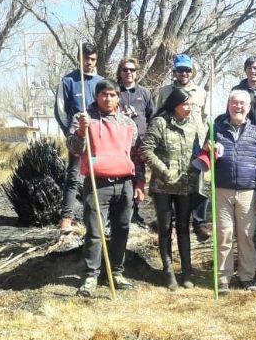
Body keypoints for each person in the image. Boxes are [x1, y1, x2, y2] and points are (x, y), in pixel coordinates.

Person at [67, 79, 145, 297]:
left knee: (122, 230)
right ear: (97, 96)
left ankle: (117, 272)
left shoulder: (128, 123)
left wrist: (139, 182)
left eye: (112, 95)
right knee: (94, 232)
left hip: (125, 183)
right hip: (96, 183)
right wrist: (82, 131)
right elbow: (73, 148)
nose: (108, 98)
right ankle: (91, 276)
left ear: (118, 97)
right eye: (104, 94)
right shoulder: (83, 118)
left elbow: (136, 155)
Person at [140, 88, 202, 290]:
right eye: (185, 105)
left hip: (185, 185)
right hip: (163, 186)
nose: (189, 108)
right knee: (165, 229)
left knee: (184, 228)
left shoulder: (193, 125)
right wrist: (163, 170)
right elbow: (146, 150)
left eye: (191, 105)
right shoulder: (160, 123)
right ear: (175, 105)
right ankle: (168, 272)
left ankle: (186, 271)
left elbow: (197, 151)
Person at [210, 90, 256, 294]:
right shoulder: (215, 129)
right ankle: (223, 279)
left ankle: (247, 277)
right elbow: (203, 158)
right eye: (234, 103)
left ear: (249, 107)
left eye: (242, 104)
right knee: (224, 234)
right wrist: (208, 150)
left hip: (248, 191)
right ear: (228, 105)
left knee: (246, 235)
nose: (238, 107)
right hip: (221, 189)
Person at [153, 54, 210, 241]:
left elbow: (206, 119)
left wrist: (207, 141)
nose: (183, 73)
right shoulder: (165, 91)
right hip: (172, 142)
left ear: (192, 71)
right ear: (174, 71)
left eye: (187, 69)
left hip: (195, 142)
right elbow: (158, 114)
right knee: (174, 181)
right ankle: (174, 218)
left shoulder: (201, 92)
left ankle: (199, 222)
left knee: (198, 183)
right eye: (180, 70)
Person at [54, 42, 102, 233]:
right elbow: (60, 111)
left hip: (97, 138)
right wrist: (70, 133)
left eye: (92, 59)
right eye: (85, 58)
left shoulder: (100, 81)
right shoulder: (68, 81)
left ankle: (95, 216)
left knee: (95, 174)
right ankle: (67, 217)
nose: (88, 62)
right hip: (77, 136)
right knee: (73, 176)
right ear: (79, 58)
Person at [116, 57, 154, 225]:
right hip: (118, 143)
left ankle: (135, 212)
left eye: (132, 70)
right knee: (120, 176)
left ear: (137, 73)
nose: (129, 73)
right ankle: (118, 212)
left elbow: (152, 116)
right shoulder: (115, 91)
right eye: (125, 69)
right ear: (120, 72)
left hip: (139, 142)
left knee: (138, 176)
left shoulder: (144, 93)